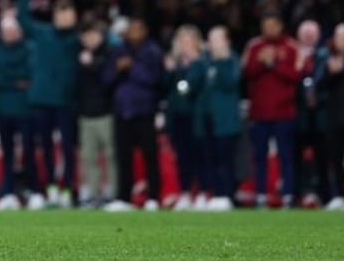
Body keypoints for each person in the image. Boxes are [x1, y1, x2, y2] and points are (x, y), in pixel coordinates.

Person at [17, 0, 79, 208]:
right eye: (61, 13)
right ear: (54, 16)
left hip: (66, 102)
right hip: (42, 100)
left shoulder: (76, 39)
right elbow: (22, 19)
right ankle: (51, 186)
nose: (65, 18)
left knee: (68, 147)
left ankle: (68, 188)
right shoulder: (42, 33)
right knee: (46, 146)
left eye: (69, 13)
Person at [241, 13, 302, 209]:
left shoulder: (291, 47)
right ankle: (260, 195)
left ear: (280, 26)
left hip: (284, 112)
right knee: (259, 156)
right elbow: (246, 73)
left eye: (273, 25)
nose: (269, 30)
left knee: (286, 155)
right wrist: (261, 62)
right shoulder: (254, 46)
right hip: (259, 112)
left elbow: (296, 76)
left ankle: (288, 196)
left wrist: (273, 63)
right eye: (265, 26)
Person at [103, 18, 164, 211]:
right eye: (131, 29)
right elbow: (105, 79)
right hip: (122, 111)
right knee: (123, 157)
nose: (134, 33)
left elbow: (154, 80)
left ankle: (153, 197)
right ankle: (124, 198)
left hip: (144, 110)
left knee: (150, 156)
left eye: (138, 29)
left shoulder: (153, 51)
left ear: (145, 31)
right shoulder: (118, 51)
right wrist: (116, 69)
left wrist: (132, 67)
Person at [0, 16, 38, 210]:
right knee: (7, 154)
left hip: (24, 109)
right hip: (2, 110)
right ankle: (8, 192)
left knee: (29, 152)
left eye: (13, 31)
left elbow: (31, 74)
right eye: (7, 31)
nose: (10, 34)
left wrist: (6, 80)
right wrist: (16, 82)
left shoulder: (29, 49)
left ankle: (34, 191)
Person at [191, 26, 242, 211]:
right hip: (206, 119)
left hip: (225, 120)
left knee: (225, 160)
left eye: (217, 39)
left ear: (226, 41)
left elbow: (231, 83)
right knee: (209, 159)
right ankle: (213, 194)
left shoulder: (232, 60)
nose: (212, 43)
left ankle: (227, 194)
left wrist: (220, 63)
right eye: (210, 39)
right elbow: (194, 85)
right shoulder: (204, 61)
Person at [164, 25, 206, 211]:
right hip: (177, 117)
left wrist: (183, 71)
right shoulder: (174, 64)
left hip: (197, 117)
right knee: (182, 157)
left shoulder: (202, 63)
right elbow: (166, 88)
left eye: (189, 41)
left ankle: (204, 193)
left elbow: (191, 88)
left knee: (200, 157)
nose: (185, 45)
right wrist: (170, 70)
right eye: (182, 41)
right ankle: (185, 193)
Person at [317, 23, 344, 211]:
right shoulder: (327, 60)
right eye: (340, 37)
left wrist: (343, 72)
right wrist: (331, 74)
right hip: (335, 119)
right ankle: (338, 196)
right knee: (335, 159)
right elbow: (319, 87)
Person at [77, 21, 115, 208]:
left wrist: (91, 64)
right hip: (85, 114)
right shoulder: (79, 55)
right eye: (86, 36)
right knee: (89, 157)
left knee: (110, 155)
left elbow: (108, 79)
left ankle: (113, 194)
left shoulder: (109, 53)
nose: (89, 39)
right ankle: (93, 193)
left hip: (105, 112)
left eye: (92, 35)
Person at [293, 20, 329, 206]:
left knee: (323, 157)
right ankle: (297, 194)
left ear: (318, 34)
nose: (308, 36)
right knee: (296, 158)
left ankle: (326, 195)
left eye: (311, 32)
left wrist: (319, 97)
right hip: (297, 115)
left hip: (321, 115)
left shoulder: (326, 55)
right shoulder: (291, 54)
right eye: (305, 32)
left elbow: (330, 83)